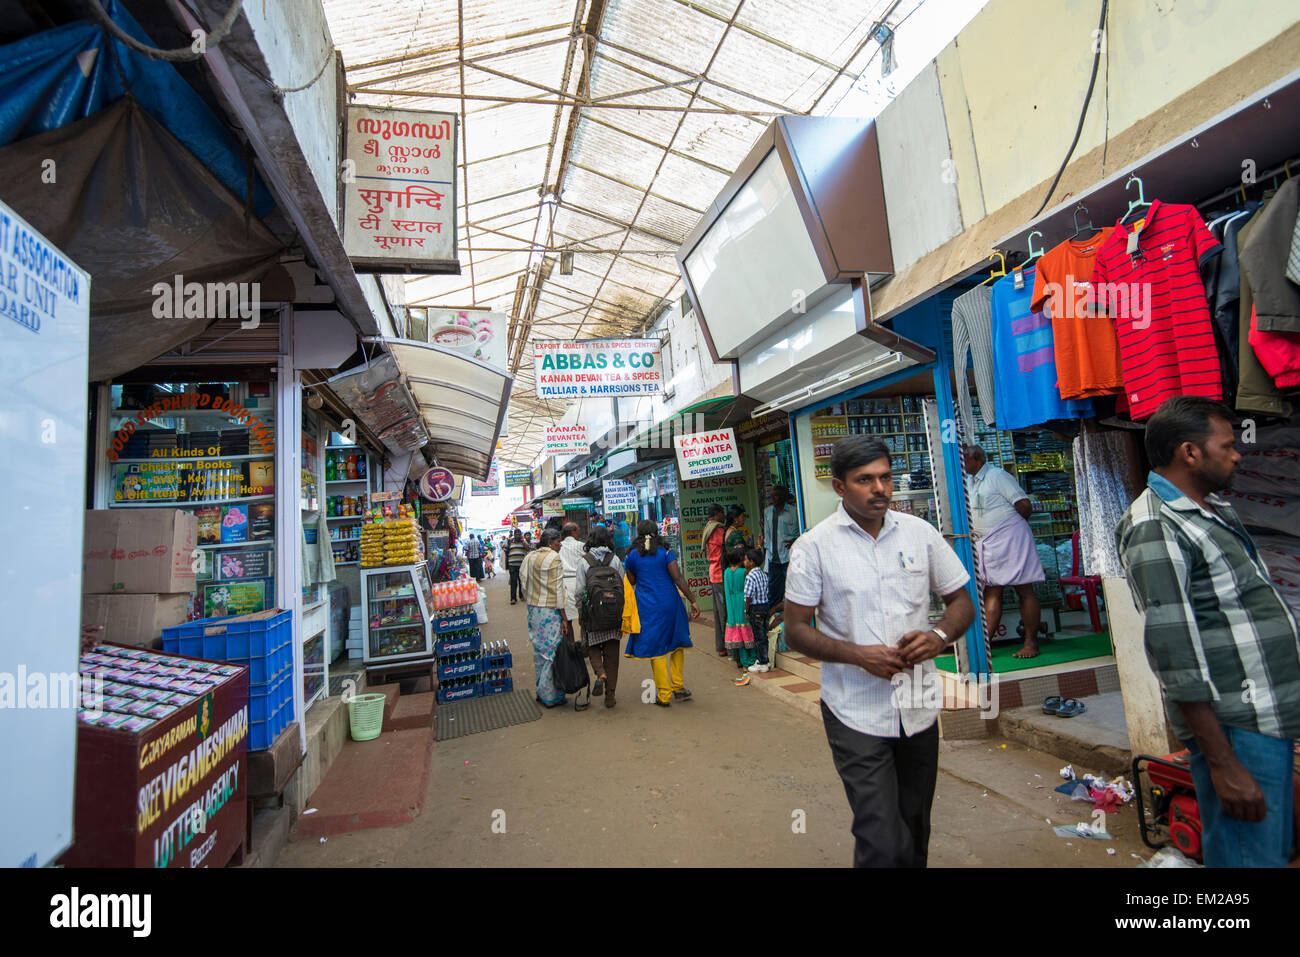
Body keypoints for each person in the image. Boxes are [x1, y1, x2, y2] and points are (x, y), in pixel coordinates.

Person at [1117, 396, 1300, 868]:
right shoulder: (1155, 524)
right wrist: (1222, 763)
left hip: (1262, 717)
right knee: (1248, 859)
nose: (1238, 454)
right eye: (1227, 445)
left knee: (1266, 854)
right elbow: (1175, 651)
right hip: (1235, 727)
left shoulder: (1211, 510)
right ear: (1190, 453)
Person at [784, 434, 975, 868]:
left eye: (886, 477)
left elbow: (962, 601)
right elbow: (795, 630)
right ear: (839, 487)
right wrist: (858, 655)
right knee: (882, 839)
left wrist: (939, 636)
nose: (880, 489)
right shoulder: (814, 548)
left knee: (913, 830)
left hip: (918, 706)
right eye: (865, 480)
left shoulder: (919, 533)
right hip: (855, 712)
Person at [962, 444, 1046, 658]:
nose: (962, 463)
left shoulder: (997, 476)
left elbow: (1024, 505)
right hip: (989, 543)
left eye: (964, 458)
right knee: (993, 590)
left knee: (1024, 589)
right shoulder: (970, 482)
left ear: (977, 458)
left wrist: (1010, 531)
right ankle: (985, 645)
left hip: (1010, 538)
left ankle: (1031, 643)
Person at [625, 519, 700, 707]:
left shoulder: (632, 556)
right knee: (676, 643)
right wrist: (693, 600)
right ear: (656, 533)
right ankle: (678, 687)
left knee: (657, 649)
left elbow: (632, 580)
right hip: (670, 604)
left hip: (648, 607)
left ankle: (664, 694)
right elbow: (678, 577)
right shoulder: (666, 552)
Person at [519, 527, 572, 708]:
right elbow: (558, 590)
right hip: (549, 612)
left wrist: (531, 597)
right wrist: (564, 617)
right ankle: (550, 695)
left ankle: (541, 692)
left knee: (539, 652)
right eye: (558, 542)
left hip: (534, 610)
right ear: (550, 543)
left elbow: (523, 581)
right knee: (552, 652)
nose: (560, 545)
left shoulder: (530, 557)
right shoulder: (554, 558)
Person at [575, 525, 625, 708]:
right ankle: (610, 696)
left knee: (593, 646)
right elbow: (623, 584)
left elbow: (579, 590)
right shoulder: (615, 559)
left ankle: (600, 673)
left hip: (593, 613)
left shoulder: (584, 561)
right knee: (612, 655)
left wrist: (580, 611)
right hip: (613, 614)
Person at [759, 486, 800, 607]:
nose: (774, 498)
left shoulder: (794, 511)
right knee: (773, 591)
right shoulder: (768, 512)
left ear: (784, 496)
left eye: (776, 495)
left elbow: (799, 532)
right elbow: (767, 534)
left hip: (788, 557)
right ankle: (774, 618)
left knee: (791, 588)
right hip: (773, 558)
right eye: (772, 496)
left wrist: (796, 541)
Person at [722, 547, 756, 685]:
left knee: (739, 636)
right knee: (749, 633)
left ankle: (744, 663)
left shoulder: (726, 573)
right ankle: (753, 659)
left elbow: (726, 592)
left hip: (732, 606)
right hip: (743, 603)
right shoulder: (744, 572)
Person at [700, 503, 728, 657]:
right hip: (719, 574)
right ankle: (729, 645)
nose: (724, 516)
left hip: (714, 573)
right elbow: (726, 545)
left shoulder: (709, 527)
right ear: (717, 514)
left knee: (718, 613)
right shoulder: (718, 530)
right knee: (723, 612)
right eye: (722, 513)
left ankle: (721, 646)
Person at [744, 547, 772, 674]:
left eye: (746, 560)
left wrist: (746, 611)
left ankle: (763, 662)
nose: (744, 562)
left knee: (758, 636)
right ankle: (764, 659)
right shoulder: (763, 574)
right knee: (763, 634)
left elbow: (748, 596)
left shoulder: (750, 577)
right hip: (765, 606)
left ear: (752, 562)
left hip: (756, 609)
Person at [557, 522, 586, 627]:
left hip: (564, 584)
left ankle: (571, 643)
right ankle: (584, 641)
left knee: (567, 620)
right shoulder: (581, 546)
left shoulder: (559, 546)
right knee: (584, 617)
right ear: (573, 532)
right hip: (580, 582)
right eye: (578, 530)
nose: (579, 533)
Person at [505, 529, 531, 605]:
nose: (518, 536)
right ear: (514, 534)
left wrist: (523, 541)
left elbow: (528, 548)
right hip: (512, 565)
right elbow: (505, 549)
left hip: (522, 565)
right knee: (513, 581)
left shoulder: (524, 541)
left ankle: (521, 595)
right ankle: (513, 598)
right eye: (516, 534)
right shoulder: (510, 541)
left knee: (521, 581)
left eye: (519, 534)